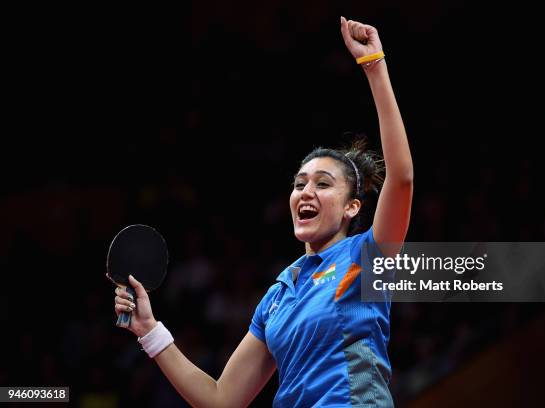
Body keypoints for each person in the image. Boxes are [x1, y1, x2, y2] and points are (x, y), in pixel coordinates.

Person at [113, 16, 413, 407]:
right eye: (300, 183)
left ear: (351, 207)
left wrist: (374, 65)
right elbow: (221, 400)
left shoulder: (367, 257)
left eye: (323, 184)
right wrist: (149, 330)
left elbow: (402, 178)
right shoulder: (278, 296)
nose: (306, 191)